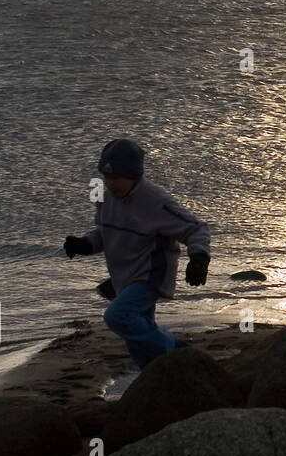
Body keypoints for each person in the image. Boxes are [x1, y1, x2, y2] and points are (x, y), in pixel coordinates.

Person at [63, 138, 211, 368]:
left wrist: (199, 258)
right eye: (106, 177)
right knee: (137, 339)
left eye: (116, 178)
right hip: (124, 276)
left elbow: (196, 228)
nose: (110, 184)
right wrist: (84, 244)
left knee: (117, 317)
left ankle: (175, 348)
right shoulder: (103, 197)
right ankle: (156, 376)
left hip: (151, 274)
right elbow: (103, 233)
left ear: (134, 175)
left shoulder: (155, 201)